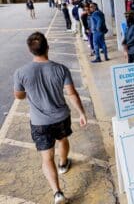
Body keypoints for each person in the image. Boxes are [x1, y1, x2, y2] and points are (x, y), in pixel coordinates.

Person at [13, 32, 87, 204]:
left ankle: (58, 193)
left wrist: (29, 91)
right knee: (62, 140)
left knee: (46, 157)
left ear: (30, 50)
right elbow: (72, 94)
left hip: (39, 122)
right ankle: (63, 164)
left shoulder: (21, 72)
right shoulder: (61, 69)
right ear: (47, 47)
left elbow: (19, 96)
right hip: (61, 117)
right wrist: (82, 113)